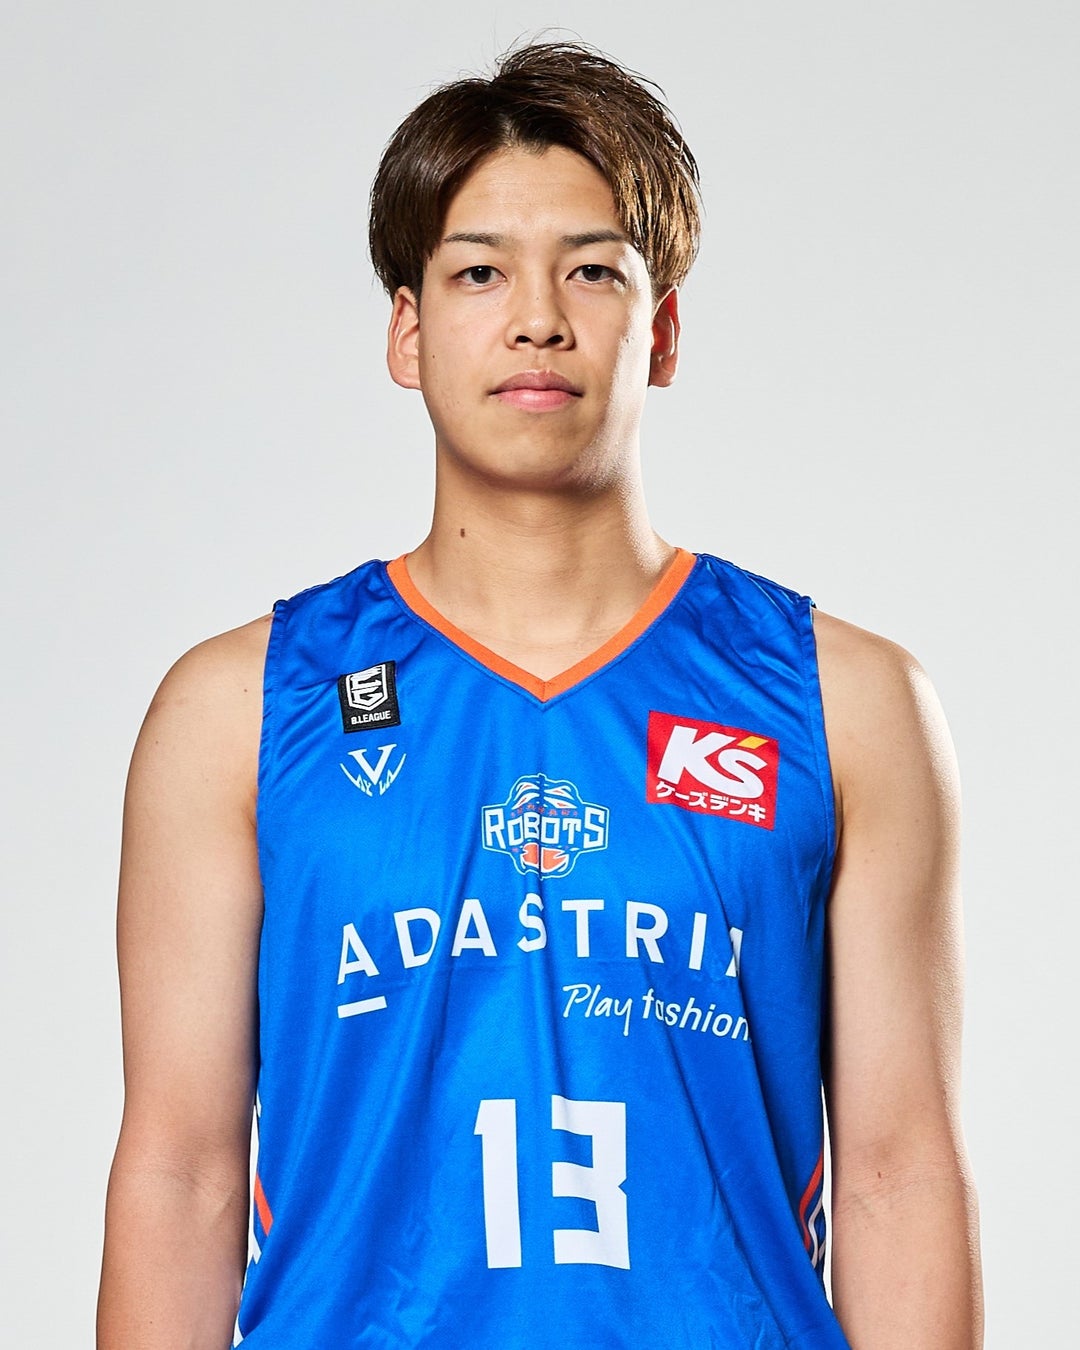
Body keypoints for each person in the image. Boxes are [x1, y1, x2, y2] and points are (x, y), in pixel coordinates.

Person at [97, 41, 983, 1349]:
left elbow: (900, 1170)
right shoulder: (239, 709)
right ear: (407, 330)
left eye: (591, 270)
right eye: (479, 271)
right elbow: (181, 1170)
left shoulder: (841, 701)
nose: (536, 320)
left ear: (661, 329)